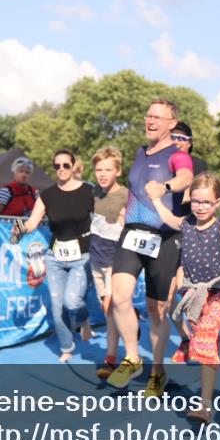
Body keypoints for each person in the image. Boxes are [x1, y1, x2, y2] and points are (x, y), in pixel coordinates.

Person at [106, 99, 194, 397]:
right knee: (118, 297)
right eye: (149, 115)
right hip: (132, 233)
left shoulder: (177, 155)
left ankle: (158, 371)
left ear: (172, 123)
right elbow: (135, 188)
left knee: (157, 310)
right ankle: (132, 356)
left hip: (163, 237)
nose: (151, 121)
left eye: (159, 117)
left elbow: (186, 177)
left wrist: (167, 187)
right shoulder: (140, 152)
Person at [150, 173, 220, 423]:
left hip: (218, 291)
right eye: (196, 201)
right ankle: (218, 348)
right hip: (192, 294)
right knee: (206, 340)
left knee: (205, 340)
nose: (200, 207)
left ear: (217, 203)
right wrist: (157, 199)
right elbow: (168, 218)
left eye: (206, 202)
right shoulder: (186, 224)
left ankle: (205, 406)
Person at [17, 149, 94, 362]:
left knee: (72, 301)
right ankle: (67, 346)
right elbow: (32, 222)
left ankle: (84, 319)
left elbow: (103, 217)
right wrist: (20, 229)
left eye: (65, 165)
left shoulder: (89, 191)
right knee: (57, 303)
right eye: (57, 166)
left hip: (83, 254)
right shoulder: (47, 195)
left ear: (73, 166)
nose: (61, 169)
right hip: (55, 255)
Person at [88, 147, 129, 378]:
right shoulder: (93, 192)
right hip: (97, 258)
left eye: (108, 169)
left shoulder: (125, 195)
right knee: (108, 311)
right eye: (98, 170)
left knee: (110, 306)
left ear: (118, 171)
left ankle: (114, 356)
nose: (102, 174)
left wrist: (127, 221)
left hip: (118, 258)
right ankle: (112, 356)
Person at [169, 120, 208, 364]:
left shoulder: (199, 165)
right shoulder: (161, 163)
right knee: (168, 297)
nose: (176, 141)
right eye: (172, 137)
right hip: (165, 234)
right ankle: (185, 338)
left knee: (193, 293)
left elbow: (202, 196)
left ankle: (202, 339)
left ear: (190, 143)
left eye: (181, 138)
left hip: (192, 233)